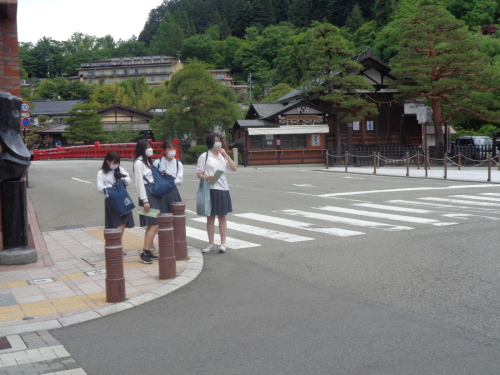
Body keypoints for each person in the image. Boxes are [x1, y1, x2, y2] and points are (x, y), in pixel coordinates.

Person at [196, 133, 238, 253]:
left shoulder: (223, 156)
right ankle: (210, 243)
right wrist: (206, 177)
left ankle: (223, 243)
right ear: (210, 142)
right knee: (210, 217)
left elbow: (234, 168)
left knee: (223, 216)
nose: (218, 142)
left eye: (219, 140)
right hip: (210, 188)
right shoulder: (204, 156)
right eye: (215, 140)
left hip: (223, 188)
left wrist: (225, 154)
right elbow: (198, 174)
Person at [96, 152, 135, 248]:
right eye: (114, 162)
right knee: (114, 223)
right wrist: (110, 188)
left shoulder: (120, 170)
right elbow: (99, 188)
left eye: (117, 162)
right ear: (107, 161)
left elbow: (129, 180)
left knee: (123, 221)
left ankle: (118, 243)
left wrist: (123, 179)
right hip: (111, 200)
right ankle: (114, 244)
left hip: (122, 199)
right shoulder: (101, 173)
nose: (115, 164)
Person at [133, 139, 162, 264]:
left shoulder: (148, 162)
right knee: (154, 225)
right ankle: (145, 252)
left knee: (152, 225)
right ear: (141, 149)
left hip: (152, 193)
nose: (150, 149)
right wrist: (145, 200)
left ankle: (148, 250)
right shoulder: (139, 163)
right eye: (147, 147)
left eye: (150, 146)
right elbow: (139, 183)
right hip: (147, 195)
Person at [153, 140, 183, 212]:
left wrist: (169, 178)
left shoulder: (178, 164)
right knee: (161, 214)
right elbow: (153, 177)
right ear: (164, 150)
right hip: (160, 191)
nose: (172, 151)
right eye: (170, 149)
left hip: (172, 191)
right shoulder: (157, 162)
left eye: (173, 148)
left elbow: (179, 179)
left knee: (175, 213)